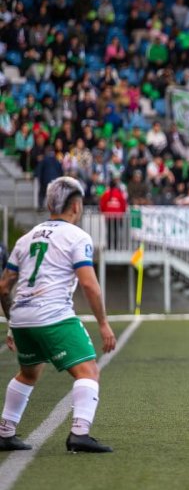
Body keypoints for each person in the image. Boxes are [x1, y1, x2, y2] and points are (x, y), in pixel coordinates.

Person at [0, 177, 117, 453]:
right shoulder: (77, 236)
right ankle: (80, 433)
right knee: (88, 370)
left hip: (22, 316)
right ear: (76, 206)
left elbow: (4, 286)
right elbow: (89, 283)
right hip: (53, 314)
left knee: (29, 373)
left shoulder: (26, 237)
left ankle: (5, 432)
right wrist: (103, 324)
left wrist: (12, 324)